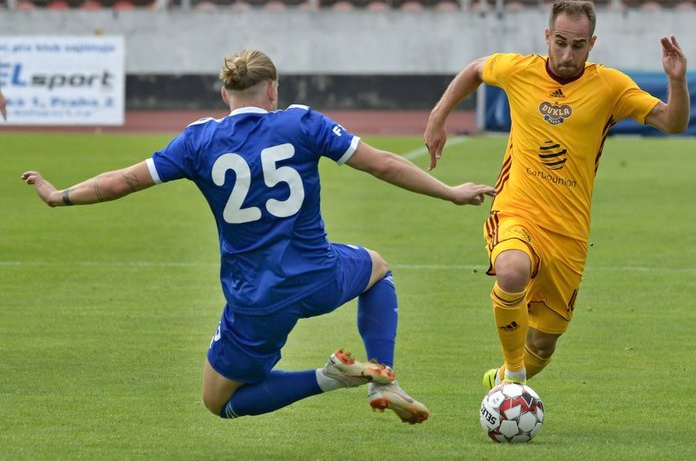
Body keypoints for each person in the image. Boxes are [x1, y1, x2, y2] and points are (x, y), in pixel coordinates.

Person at [22, 49, 496, 424]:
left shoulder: (197, 141)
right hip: (319, 275)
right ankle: (383, 379)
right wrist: (449, 192)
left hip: (256, 299)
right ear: (273, 90)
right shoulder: (302, 122)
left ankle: (327, 379)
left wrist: (59, 195)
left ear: (224, 93)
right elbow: (385, 164)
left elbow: (122, 181)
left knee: (220, 401)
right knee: (376, 268)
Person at [424, 0, 690, 389]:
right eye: (560, 42)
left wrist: (677, 81)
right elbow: (476, 69)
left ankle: (502, 381)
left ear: (592, 43)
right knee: (512, 270)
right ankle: (513, 374)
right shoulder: (519, 71)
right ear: (547, 36)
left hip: (568, 233)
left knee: (543, 345)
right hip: (518, 210)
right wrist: (438, 116)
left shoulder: (609, 87)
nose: (567, 54)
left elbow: (673, 123)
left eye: (578, 45)